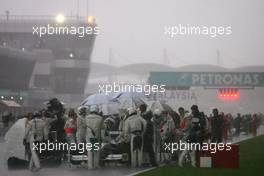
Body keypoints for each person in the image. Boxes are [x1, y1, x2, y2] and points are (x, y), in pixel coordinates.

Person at [85, 105, 104, 169]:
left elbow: (85, 127)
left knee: (90, 151)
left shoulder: (86, 117)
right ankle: (96, 165)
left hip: (89, 136)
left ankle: (90, 166)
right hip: (96, 136)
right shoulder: (100, 118)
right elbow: (102, 128)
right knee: (96, 151)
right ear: (97, 110)